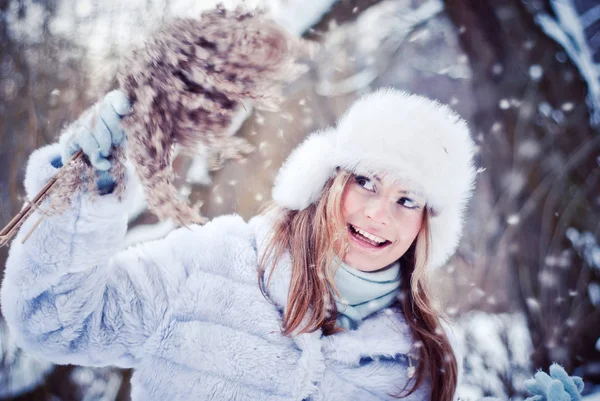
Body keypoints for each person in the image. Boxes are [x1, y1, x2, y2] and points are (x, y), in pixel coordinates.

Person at [1, 88, 477, 401]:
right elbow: (54, 321)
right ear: (327, 181)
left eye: (407, 199)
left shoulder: (421, 359)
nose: (379, 213)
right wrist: (83, 195)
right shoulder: (210, 264)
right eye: (366, 181)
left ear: (426, 225)